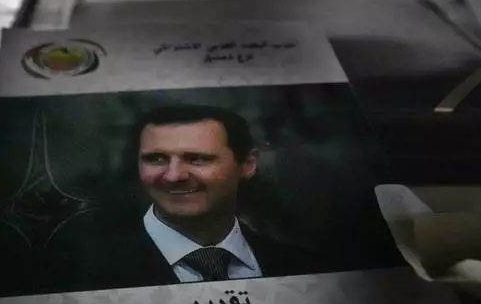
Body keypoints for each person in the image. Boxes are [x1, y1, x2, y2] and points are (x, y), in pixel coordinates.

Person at [40, 105, 336, 292]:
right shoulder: (77, 276)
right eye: (156, 159)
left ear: (247, 164)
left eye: (197, 159)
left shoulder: (310, 271)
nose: (173, 176)